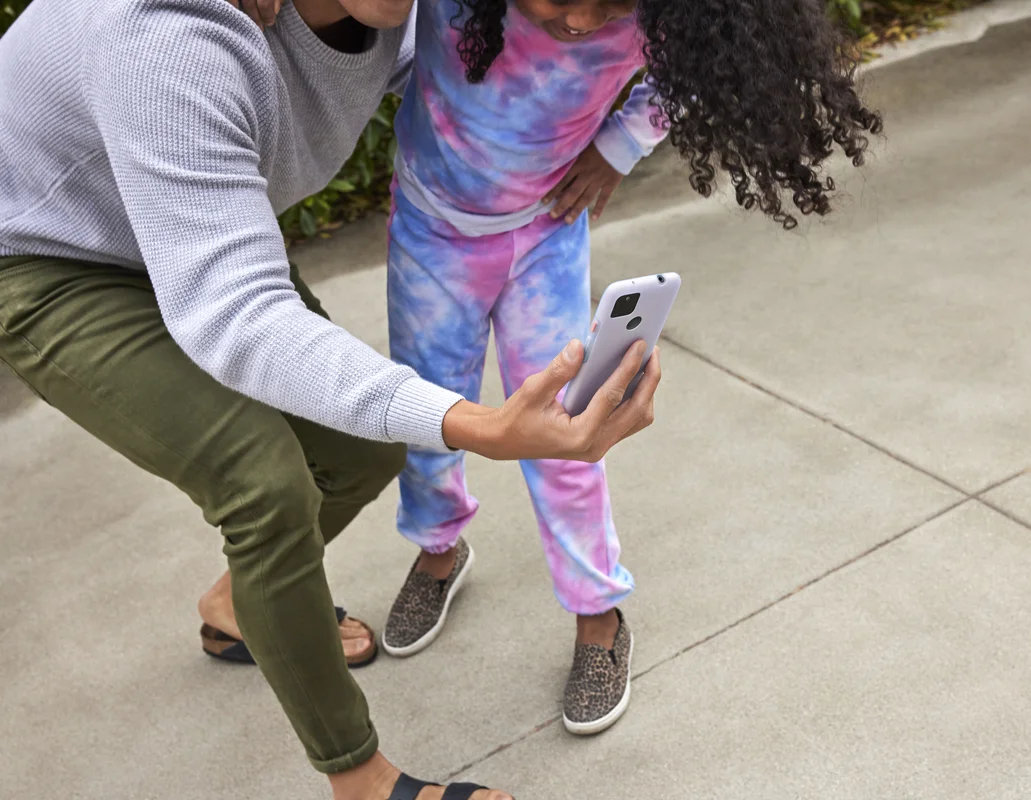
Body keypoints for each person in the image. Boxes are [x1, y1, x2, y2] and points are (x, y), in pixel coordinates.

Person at [0, 0, 660, 797]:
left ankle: (237, 602)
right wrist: (480, 424)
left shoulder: (407, 16)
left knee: (366, 445)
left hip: (178, 223)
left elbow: (486, 85)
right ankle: (363, 780)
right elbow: (236, 313)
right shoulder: (168, 34)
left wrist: (612, 142)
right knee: (265, 485)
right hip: (44, 255)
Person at [240, 0, 883, 737]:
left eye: (607, 3)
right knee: (428, 413)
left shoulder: (664, 14)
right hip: (430, 236)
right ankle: (439, 548)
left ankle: (597, 611)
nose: (580, 21)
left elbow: (699, 75)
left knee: (572, 429)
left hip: (546, 240)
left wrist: (621, 143)